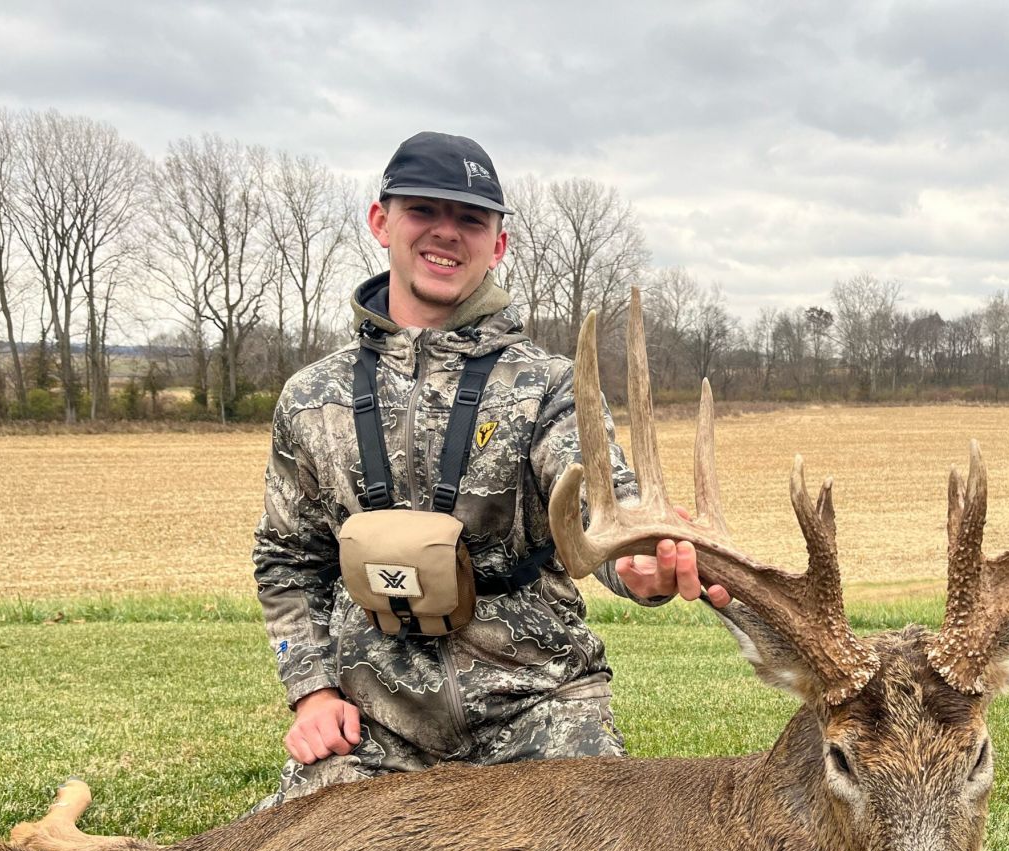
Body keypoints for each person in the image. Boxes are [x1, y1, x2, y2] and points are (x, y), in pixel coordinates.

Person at [252, 132, 727, 809]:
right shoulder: (311, 398)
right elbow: (286, 560)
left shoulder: (547, 386)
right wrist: (314, 691)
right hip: (378, 723)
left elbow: (599, 500)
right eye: (424, 211)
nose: (447, 233)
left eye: (471, 219)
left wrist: (638, 565)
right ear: (381, 221)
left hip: (536, 707)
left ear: (498, 244)